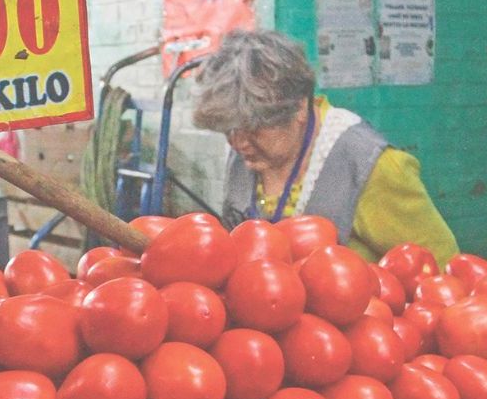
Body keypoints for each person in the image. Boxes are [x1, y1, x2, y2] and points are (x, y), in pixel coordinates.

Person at [193, 30, 459, 265]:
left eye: (253, 127)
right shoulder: (245, 151)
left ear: (299, 106)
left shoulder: (371, 167)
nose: (238, 143)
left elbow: (441, 269)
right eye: (230, 129)